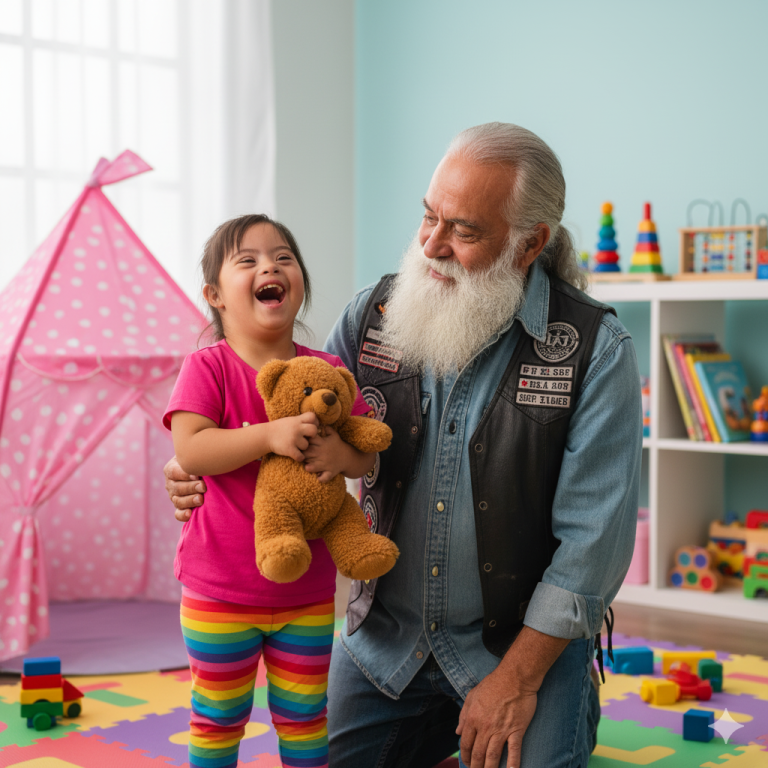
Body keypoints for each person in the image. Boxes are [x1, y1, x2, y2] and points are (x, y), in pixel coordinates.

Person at [165, 123, 642, 768]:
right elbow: (287, 416)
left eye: (464, 231)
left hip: (515, 649)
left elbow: (594, 545)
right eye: (428, 217)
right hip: (388, 644)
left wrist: (517, 682)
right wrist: (193, 460)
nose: (432, 245)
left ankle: (561, 695)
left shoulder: (594, 352)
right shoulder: (371, 317)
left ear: (530, 244)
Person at [163, 214, 375, 768]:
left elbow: (366, 450)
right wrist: (269, 435)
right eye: (249, 260)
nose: (270, 267)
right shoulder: (207, 368)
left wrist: (343, 457)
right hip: (218, 591)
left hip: (305, 593)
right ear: (215, 294)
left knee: (305, 719)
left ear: (298, 281)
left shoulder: (328, 371)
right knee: (217, 718)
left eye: (283, 257)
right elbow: (192, 449)